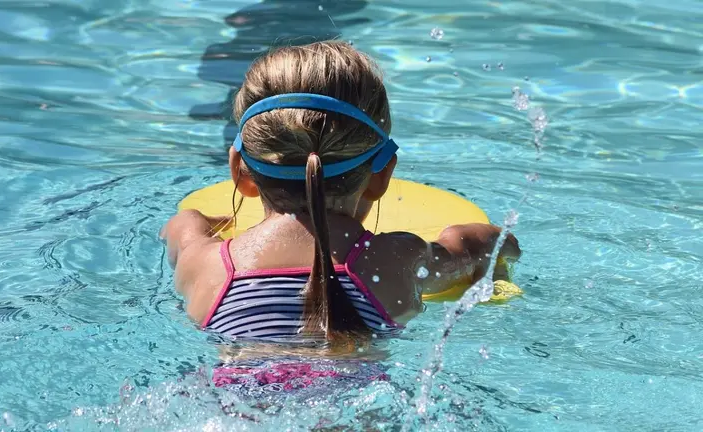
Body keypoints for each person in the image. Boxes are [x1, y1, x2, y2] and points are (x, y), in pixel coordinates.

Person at [162, 40, 520, 396]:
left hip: (228, 408)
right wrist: (498, 247)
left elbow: (181, 226)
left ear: (239, 172)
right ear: (381, 175)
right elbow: (480, 245)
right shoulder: (395, 260)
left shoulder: (206, 265)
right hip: (361, 406)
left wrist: (199, 221)